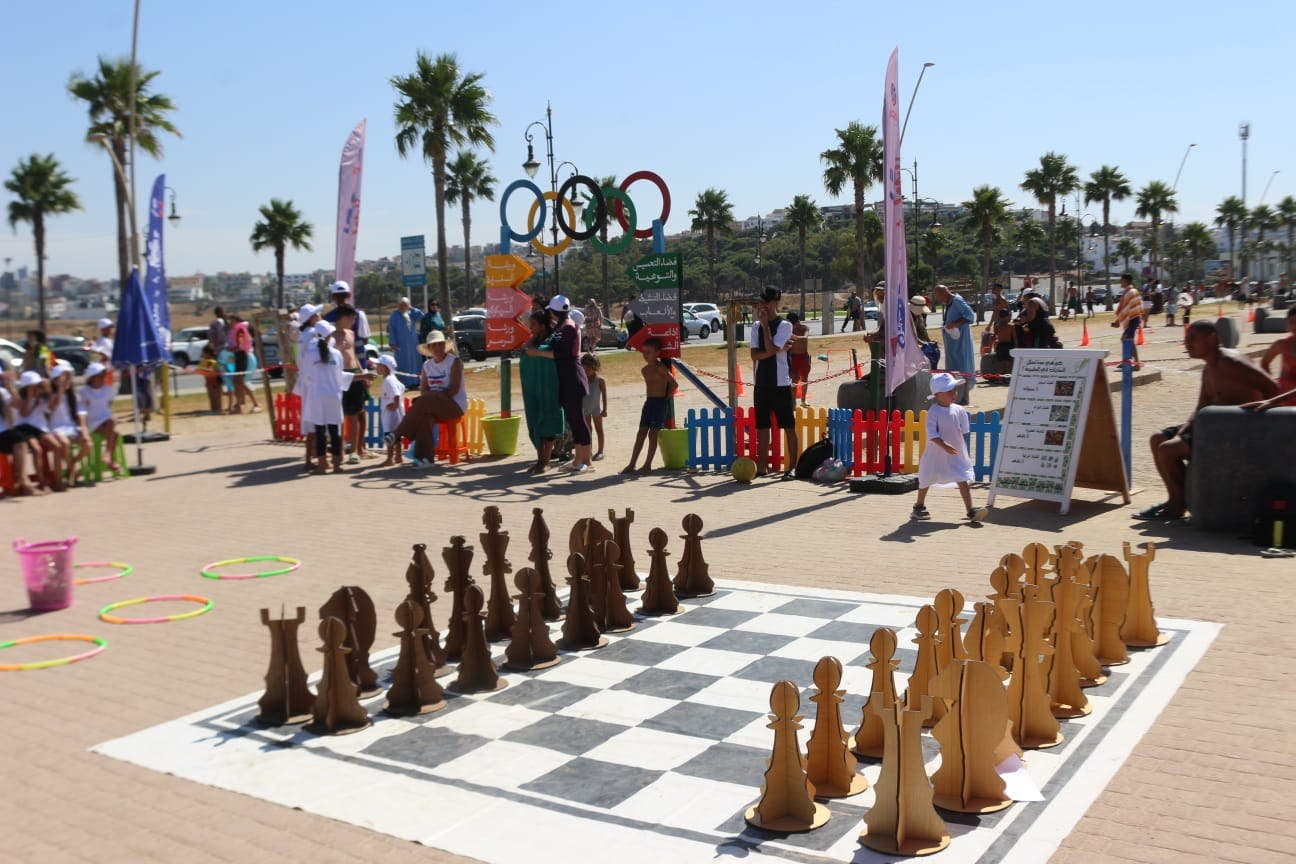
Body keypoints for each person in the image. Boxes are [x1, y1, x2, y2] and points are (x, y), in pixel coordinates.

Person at [1137, 320, 1278, 521]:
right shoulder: (1208, 368)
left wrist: (1261, 417)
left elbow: (1272, 388)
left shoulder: (1231, 362)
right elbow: (1201, 407)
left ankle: (1179, 503)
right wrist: (1182, 431)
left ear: (1212, 338)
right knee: (1157, 439)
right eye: (1186, 339)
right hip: (1210, 425)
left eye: (1193, 339)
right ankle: (1176, 499)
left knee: (1167, 450)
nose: (1187, 344)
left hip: (1232, 430)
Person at [526, 296, 594, 473]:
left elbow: (560, 353)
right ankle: (579, 459)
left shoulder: (568, 327)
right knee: (573, 419)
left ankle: (586, 460)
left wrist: (536, 353)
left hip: (573, 377)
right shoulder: (562, 326)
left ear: (555, 311)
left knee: (578, 420)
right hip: (565, 378)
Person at [912, 373, 988, 524]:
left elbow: (964, 430)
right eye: (949, 391)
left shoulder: (959, 410)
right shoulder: (933, 412)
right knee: (927, 478)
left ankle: (970, 510)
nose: (954, 393)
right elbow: (932, 434)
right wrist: (944, 445)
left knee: (962, 478)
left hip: (955, 453)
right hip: (936, 453)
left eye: (954, 389)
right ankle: (919, 506)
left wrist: (962, 447)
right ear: (938, 395)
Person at [393, 330, 467, 466]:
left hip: (454, 405)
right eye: (434, 345)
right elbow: (424, 390)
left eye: (440, 344)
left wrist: (435, 395)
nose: (438, 348)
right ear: (429, 348)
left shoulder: (454, 362)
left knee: (422, 401)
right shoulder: (427, 366)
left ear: (444, 345)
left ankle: (398, 433)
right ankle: (425, 459)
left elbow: (453, 390)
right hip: (433, 405)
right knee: (425, 418)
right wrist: (435, 395)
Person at [300, 321, 363, 475]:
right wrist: (360, 375)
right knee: (335, 430)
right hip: (333, 395)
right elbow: (340, 376)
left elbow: (306, 376)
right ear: (330, 336)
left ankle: (322, 464)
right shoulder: (336, 354)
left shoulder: (310, 354)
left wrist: (317, 383)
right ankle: (337, 463)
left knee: (320, 430)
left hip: (317, 396)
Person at [749, 286, 798, 478]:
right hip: (761, 382)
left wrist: (766, 327)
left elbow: (770, 347)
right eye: (761, 302)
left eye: (766, 302)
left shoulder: (785, 325)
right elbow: (754, 355)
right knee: (762, 426)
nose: (762, 305)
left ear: (775, 303)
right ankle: (762, 466)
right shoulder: (755, 326)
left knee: (788, 425)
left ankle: (792, 466)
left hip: (780, 383)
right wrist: (775, 350)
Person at [622, 336, 678, 474]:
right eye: (644, 351)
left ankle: (647, 464)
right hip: (649, 403)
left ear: (657, 353)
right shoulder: (645, 370)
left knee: (652, 434)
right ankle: (632, 464)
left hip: (660, 403)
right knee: (641, 433)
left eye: (649, 352)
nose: (645, 355)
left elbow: (674, 384)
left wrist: (666, 397)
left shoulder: (661, 368)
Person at [519, 310, 564, 474]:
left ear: (543, 326)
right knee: (535, 420)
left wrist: (537, 352)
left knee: (548, 422)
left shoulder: (553, 340)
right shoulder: (534, 340)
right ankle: (539, 460)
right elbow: (525, 350)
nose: (531, 327)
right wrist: (531, 342)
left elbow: (557, 356)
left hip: (549, 386)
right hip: (534, 388)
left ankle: (546, 461)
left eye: (534, 324)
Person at [331, 304, 369, 462]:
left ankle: (354, 451)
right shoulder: (330, 336)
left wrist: (363, 374)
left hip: (354, 375)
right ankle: (338, 449)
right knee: (338, 416)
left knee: (355, 414)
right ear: (342, 318)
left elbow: (354, 356)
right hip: (339, 376)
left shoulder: (351, 333)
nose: (353, 322)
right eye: (351, 319)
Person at [48, 361, 90, 485]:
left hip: (71, 428)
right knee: (64, 443)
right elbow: (52, 407)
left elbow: (81, 416)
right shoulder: (51, 395)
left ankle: (72, 465)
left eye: (68, 378)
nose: (66, 381)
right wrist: (60, 390)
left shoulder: (74, 396)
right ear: (55, 381)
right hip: (55, 428)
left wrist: (84, 432)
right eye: (63, 378)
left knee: (88, 444)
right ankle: (72, 469)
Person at [933, 284, 976, 405]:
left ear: (945, 293)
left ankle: (965, 397)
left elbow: (970, 315)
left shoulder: (957, 301)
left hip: (961, 342)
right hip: (952, 344)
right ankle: (956, 397)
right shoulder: (949, 303)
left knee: (964, 367)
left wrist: (955, 324)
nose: (939, 300)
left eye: (939, 297)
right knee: (954, 368)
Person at [0, 370, 41, 496]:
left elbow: (17, 405)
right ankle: (22, 481)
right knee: (19, 441)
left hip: (3, 431)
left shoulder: (2, 392)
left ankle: (23, 480)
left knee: (20, 441)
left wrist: (11, 388)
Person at [79, 362, 119, 473]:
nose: (103, 379)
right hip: (92, 422)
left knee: (114, 430)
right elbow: (82, 409)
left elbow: (108, 404)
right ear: (92, 377)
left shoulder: (108, 389)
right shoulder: (84, 391)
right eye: (100, 376)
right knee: (112, 426)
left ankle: (108, 457)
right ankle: (109, 458)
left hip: (106, 421)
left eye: (103, 376)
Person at [323, 281, 372, 363]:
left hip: (337, 364)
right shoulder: (359, 314)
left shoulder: (327, 318)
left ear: (333, 297)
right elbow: (365, 340)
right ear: (349, 295)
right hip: (358, 363)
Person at [374, 353, 407, 467]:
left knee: (389, 435)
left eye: (378, 365)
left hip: (391, 413)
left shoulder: (388, 380)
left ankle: (389, 458)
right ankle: (398, 457)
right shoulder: (392, 378)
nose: (376, 367)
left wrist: (394, 405)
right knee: (396, 436)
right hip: (396, 413)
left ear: (385, 367)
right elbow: (402, 388)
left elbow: (396, 394)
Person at [1259, 306, 1296, 406]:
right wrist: (1271, 385)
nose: (1295, 326)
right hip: (1283, 400)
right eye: (1292, 322)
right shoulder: (1281, 345)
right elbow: (1264, 362)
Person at [386, 296, 424, 386]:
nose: (403, 306)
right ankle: (404, 383)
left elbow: (421, 316)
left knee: (414, 361)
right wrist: (392, 342)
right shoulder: (395, 315)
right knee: (403, 362)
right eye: (401, 304)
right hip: (401, 343)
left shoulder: (411, 313)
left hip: (413, 342)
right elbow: (392, 329)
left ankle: (415, 382)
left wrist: (411, 308)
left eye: (405, 304)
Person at [580, 353, 607, 460]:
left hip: (596, 409)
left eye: (588, 369)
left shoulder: (600, 380)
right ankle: (588, 451)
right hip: (584, 409)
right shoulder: (582, 379)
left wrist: (605, 409)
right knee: (588, 430)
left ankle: (600, 451)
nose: (586, 372)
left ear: (595, 368)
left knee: (599, 430)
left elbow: (604, 395)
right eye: (584, 369)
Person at [1112, 274, 1144, 364]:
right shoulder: (1134, 291)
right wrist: (1118, 321)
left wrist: (1118, 320)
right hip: (1135, 318)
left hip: (1132, 320)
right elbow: (1134, 307)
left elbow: (1124, 309)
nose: (1120, 282)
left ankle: (1131, 362)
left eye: (1121, 280)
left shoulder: (1128, 293)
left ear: (1126, 281)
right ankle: (1130, 361)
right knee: (1128, 340)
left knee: (1125, 339)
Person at [787, 311, 812, 405]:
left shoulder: (804, 328)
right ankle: (793, 401)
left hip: (803, 356)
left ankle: (803, 400)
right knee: (794, 379)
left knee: (804, 378)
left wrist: (793, 337)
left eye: (795, 324)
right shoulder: (788, 330)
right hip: (793, 357)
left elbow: (805, 337)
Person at [908, 296, 940, 371]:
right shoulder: (905, 317)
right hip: (908, 347)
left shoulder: (919, 316)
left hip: (917, 344)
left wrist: (929, 342)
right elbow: (910, 335)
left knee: (934, 352)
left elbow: (922, 331)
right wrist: (924, 343)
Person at [197, 345, 224, 414]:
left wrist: (201, 369)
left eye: (203, 352)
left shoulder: (211, 361)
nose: (202, 354)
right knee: (211, 396)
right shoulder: (206, 361)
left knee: (215, 396)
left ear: (208, 353)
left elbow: (209, 370)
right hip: (209, 381)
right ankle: (213, 410)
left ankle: (217, 409)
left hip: (214, 381)